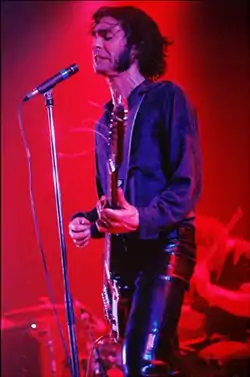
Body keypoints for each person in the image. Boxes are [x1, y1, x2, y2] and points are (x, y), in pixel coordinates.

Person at [69, 5, 202, 377]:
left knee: (141, 363)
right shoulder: (104, 120)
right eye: (94, 35)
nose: (96, 42)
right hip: (124, 256)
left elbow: (186, 185)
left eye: (107, 35)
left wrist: (140, 217)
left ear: (138, 46)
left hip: (165, 244)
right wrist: (90, 222)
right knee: (157, 362)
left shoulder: (167, 99)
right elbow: (116, 201)